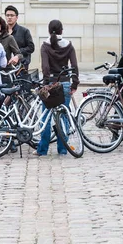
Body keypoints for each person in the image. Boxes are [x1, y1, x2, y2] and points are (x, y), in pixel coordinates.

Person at [34, 19, 79, 157]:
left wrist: (46, 84)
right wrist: (74, 83)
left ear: (48, 31)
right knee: (63, 117)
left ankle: (43, 149)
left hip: (50, 84)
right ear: (62, 31)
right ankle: (63, 149)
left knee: (45, 118)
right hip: (64, 83)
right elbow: (74, 66)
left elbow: (45, 68)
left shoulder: (45, 46)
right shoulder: (69, 46)